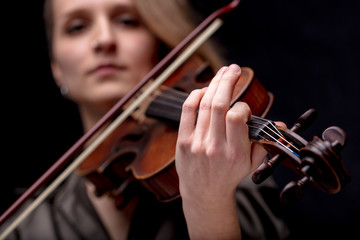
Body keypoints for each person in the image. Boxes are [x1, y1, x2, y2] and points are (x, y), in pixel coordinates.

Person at [1, 0, 290, 239]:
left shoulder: (226, 169)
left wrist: (209, 202)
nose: (104, 40)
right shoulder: (26, 223)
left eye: (127, 21)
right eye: (77, 27)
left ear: (158, 42)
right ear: (56, 68)